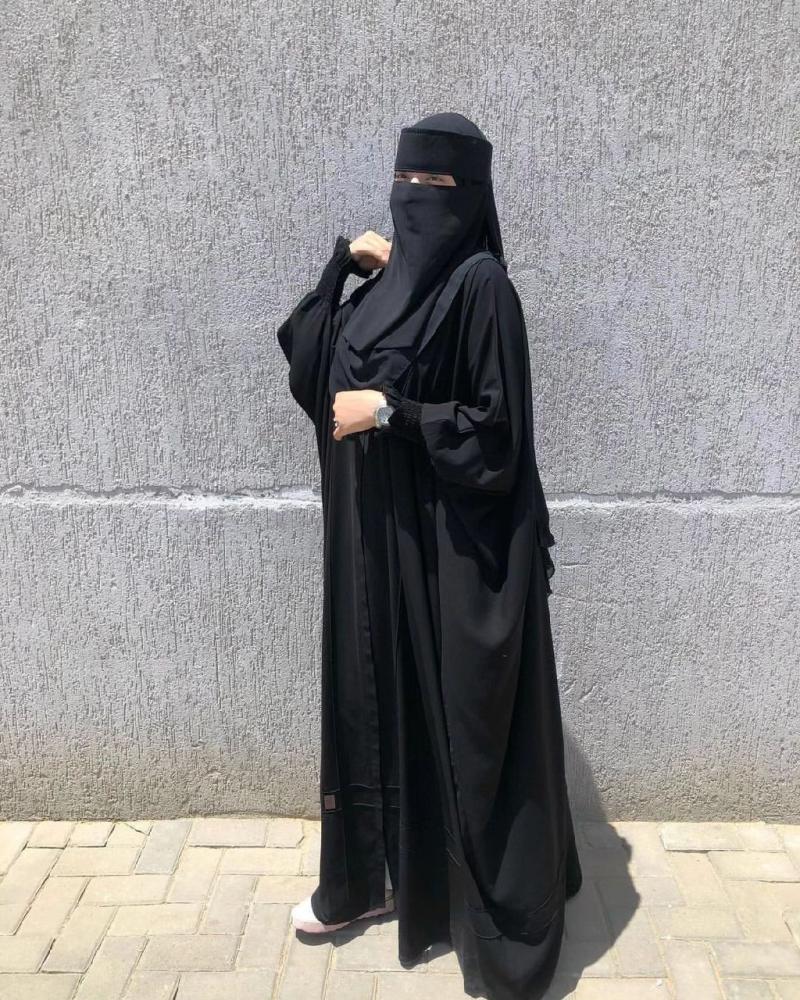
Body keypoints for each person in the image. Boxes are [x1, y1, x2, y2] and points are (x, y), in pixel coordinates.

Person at [276, 112, 582, 1000]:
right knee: (368, 702)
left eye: (436, 187)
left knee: (459, 725)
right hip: (369, 544)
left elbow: (498, 433)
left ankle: (485, 907)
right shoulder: (386, 288)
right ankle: (368, 881)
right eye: (406, 182)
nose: (416, 202)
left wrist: (393, 414)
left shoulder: (483, 289)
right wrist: (341, 267)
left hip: (444, 557)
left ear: (471, 196)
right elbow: (312, 363)